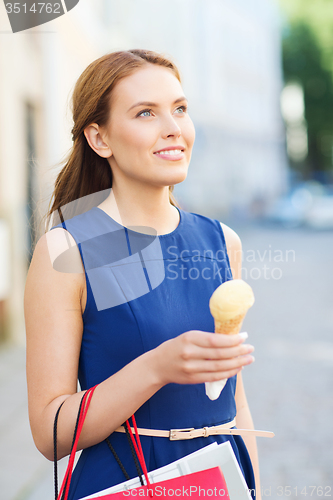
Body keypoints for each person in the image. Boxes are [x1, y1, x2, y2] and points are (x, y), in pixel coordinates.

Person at [24, 49, 261, 500]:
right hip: (123, 485)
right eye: (146, 112)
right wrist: (155, 367)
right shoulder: (68, 249)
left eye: (180, 109)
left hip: (219, 484)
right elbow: (49, 433)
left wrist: (255, 491)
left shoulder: (222, 242)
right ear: (100, 139)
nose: (173, 127)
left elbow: (237, 401)